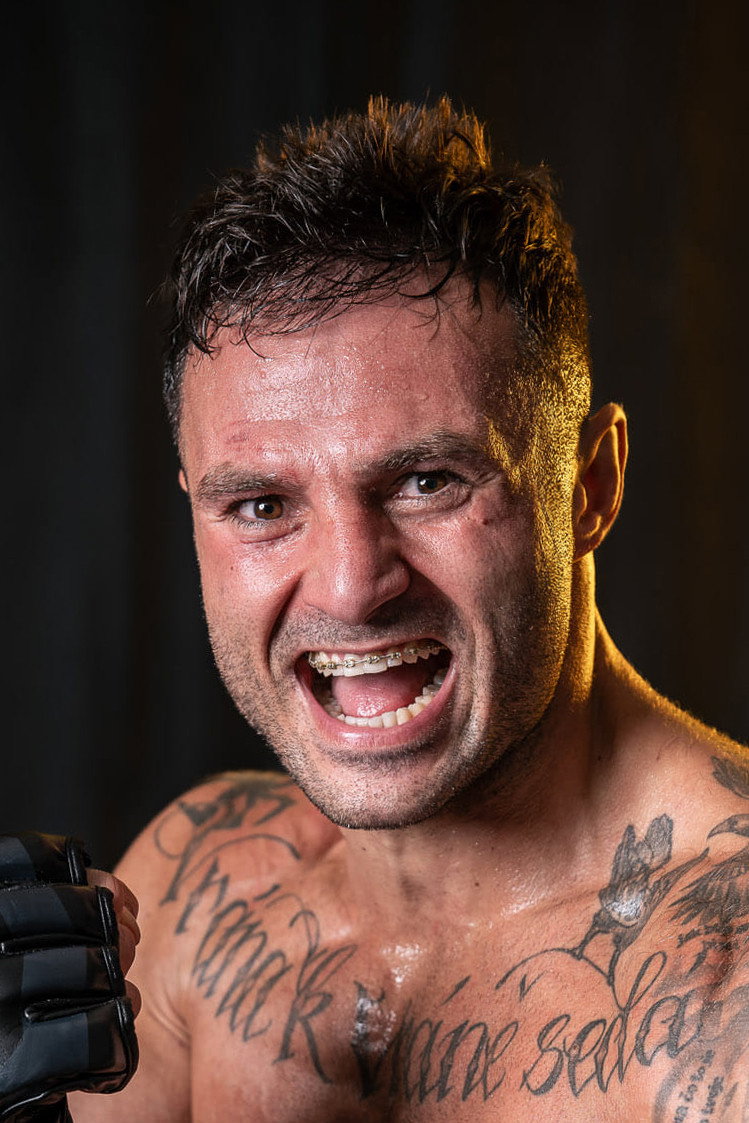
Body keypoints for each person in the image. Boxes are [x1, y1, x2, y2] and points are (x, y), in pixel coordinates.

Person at [20, 97, 749, 1120]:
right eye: (261, 505)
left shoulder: (723, 991)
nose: (350, 586)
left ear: (590, 486)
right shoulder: (196, 893)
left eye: (426, 482)